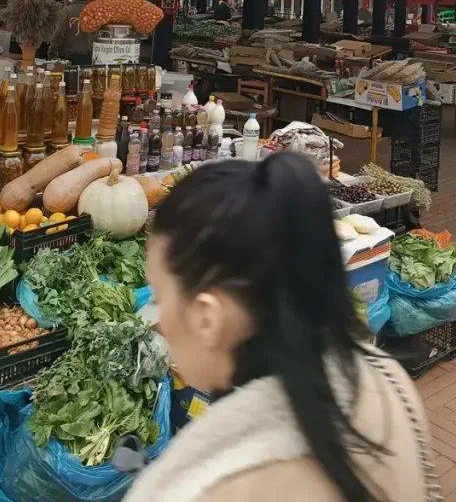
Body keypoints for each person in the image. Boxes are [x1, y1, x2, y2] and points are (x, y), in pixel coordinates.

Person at [128, 153, 438, 502]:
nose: (158, 320)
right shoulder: (389, 380)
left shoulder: (214, 484)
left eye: (160, 296)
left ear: (207, 317)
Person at [49, 0, 94, 65]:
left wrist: (53, 49)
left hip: (69, 55)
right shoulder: (93, 12)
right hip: (88, 55)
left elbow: (59, 32)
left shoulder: (66, 11)